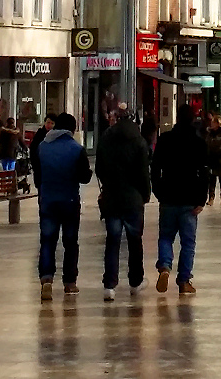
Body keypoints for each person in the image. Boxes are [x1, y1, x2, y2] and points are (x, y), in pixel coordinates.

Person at [151, 103, 209, 296]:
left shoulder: (165, 139)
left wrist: (158, 190)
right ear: (193, 119)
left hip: (168, 196)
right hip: (190, 199)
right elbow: (204, 172)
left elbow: (155, 167)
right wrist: (202, 199)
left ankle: (165, 266)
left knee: (166, 236)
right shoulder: (198, 142)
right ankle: (184, 280)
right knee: (188, 242)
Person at [96, 107, 152, 301]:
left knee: (112, 241)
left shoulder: (106, 139)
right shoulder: (138, 141)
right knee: (135, 241)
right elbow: (143, 171)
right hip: (133, 199)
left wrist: (107, 186)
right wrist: (145, 194)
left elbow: (99, 168)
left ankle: (109, 285)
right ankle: (135, 281)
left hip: (112, 197)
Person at [37, 112, 92, 300]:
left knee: (47, 240)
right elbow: (84, 177)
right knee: (70, 242)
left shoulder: (42, 147)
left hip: (48, 199)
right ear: (71, 129)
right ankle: (69, 282)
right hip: (69, 200)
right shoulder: (76, 149)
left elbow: (37, 173)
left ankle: (46, 278)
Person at [30, 113, 56, 191]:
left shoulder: (56, 136)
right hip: (40, 170)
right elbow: (33, 152)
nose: (49, 125)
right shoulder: (39, 135)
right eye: (48, 122)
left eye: (52, 123)